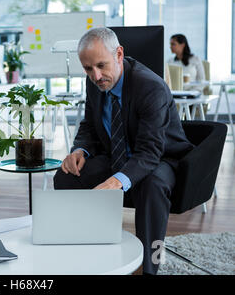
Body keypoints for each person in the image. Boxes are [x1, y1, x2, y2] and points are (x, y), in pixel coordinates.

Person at [53, 27, 194, 275]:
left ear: (119, 54)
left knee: (152, 186)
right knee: (66, 176)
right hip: (117, 155)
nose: (96, 76)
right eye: (88, 69)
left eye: (101, 65)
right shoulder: (94, 81)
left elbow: (150, 152)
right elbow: (89, 124)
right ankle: (86, 251)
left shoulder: (150, 87)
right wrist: (80, 150)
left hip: (159, 159)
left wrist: (116, 181)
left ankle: (151, 267)